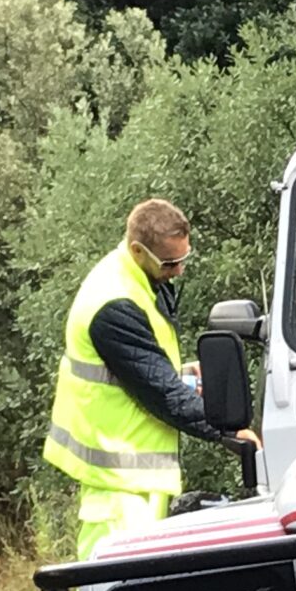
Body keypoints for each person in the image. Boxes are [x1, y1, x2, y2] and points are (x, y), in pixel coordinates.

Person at [42, 198, 256, 559]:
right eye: (171, 263)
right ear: (138, 250)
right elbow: (163, 394)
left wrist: (183, 374)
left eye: (184, 260)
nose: (178, 271)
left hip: (135, 481)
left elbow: (137, 374)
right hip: (119, 486)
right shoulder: (114, 304)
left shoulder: (134, 279)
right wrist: (228, 431)